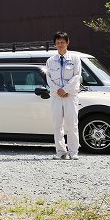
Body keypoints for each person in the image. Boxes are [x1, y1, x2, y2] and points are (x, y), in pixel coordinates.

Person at [46, 31, 82, 160]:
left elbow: (77, 76)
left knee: (72, 124)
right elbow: (48, 78)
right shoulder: (50, 61)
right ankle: (61, 152)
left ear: (67, 43)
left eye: (62, 42)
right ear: (55, 44)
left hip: (70, 96)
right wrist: (58, 91)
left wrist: (66, 90)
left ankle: (73, 152)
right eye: (58, 43)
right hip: (56, 96)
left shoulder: (75, 59)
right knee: (57, 124)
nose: (60, 45)